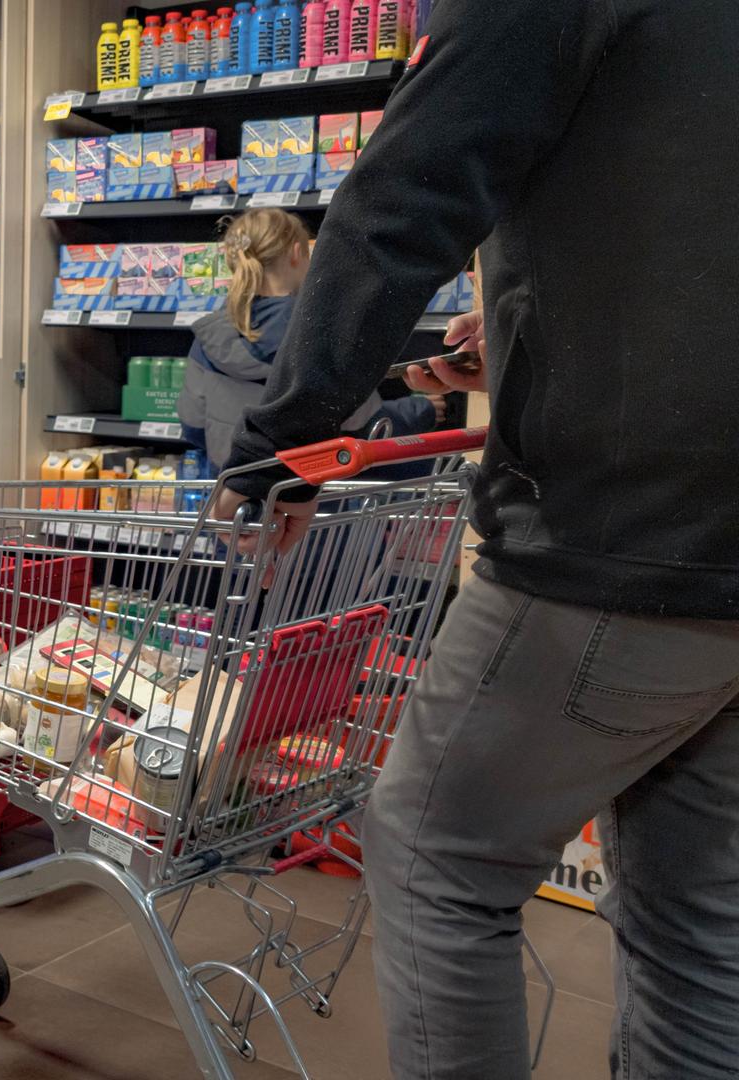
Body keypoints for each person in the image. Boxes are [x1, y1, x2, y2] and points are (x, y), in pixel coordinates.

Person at [214, 3, 739, 1077]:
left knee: (431, 855)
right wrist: (531, 333)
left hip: (622, 537)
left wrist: (283, 439)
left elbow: (399, 202)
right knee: (698, 924)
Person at [177, 208, 440, 472]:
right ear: (296, 254)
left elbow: (193, 427)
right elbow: (365, 425)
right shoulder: (320, 331)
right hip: (311, 494)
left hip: (234, 492)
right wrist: (421, 409)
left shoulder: (209, 336)